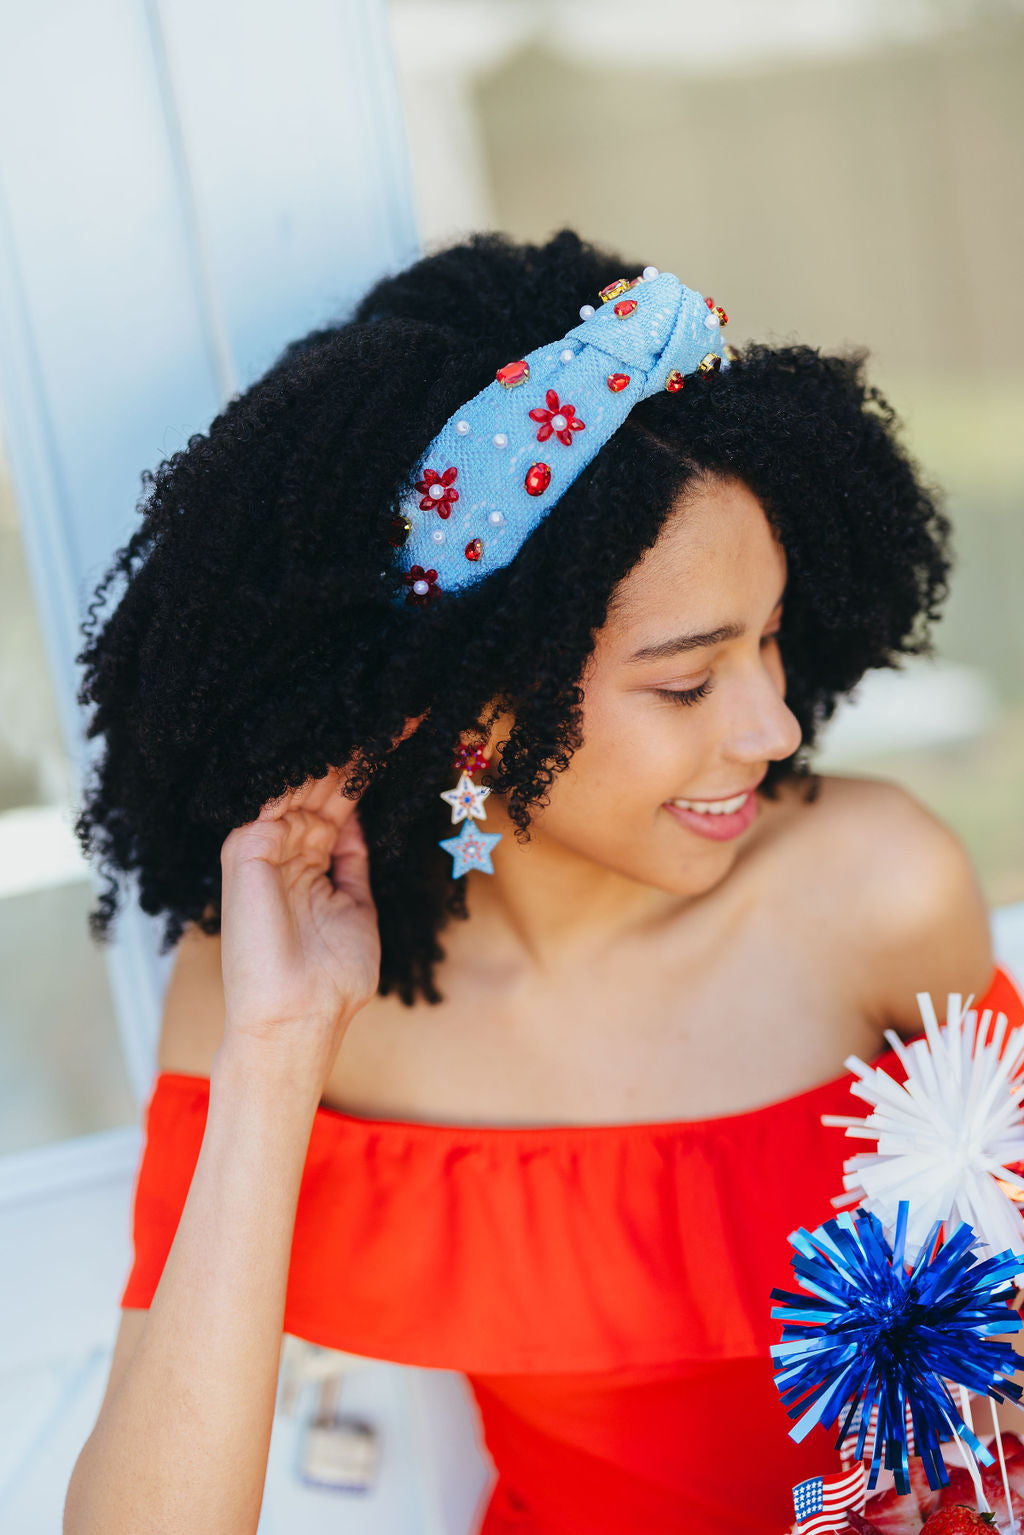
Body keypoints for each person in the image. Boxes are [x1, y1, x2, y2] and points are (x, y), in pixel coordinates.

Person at [62, 229, 1021, 1535]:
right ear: (478, 714)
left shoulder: (874, 890)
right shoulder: (275, 981)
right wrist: (281, 1050)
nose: (774, 727)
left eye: (773, 638)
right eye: (687, 681)